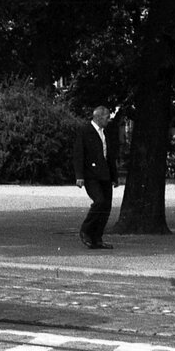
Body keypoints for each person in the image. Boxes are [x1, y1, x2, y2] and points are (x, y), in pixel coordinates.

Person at [72, 104, 118, 249]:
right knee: (99, 202)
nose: (108, 120)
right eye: (107, 117)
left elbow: (109, 156)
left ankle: (97, 238)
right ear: (98, 117)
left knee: (106, 207)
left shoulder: (106, 132)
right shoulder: (85, 131)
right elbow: (79, 154)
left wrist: (114, 177)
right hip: (91, 175)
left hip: (105, 175)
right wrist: (79, 176)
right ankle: (85, 230)